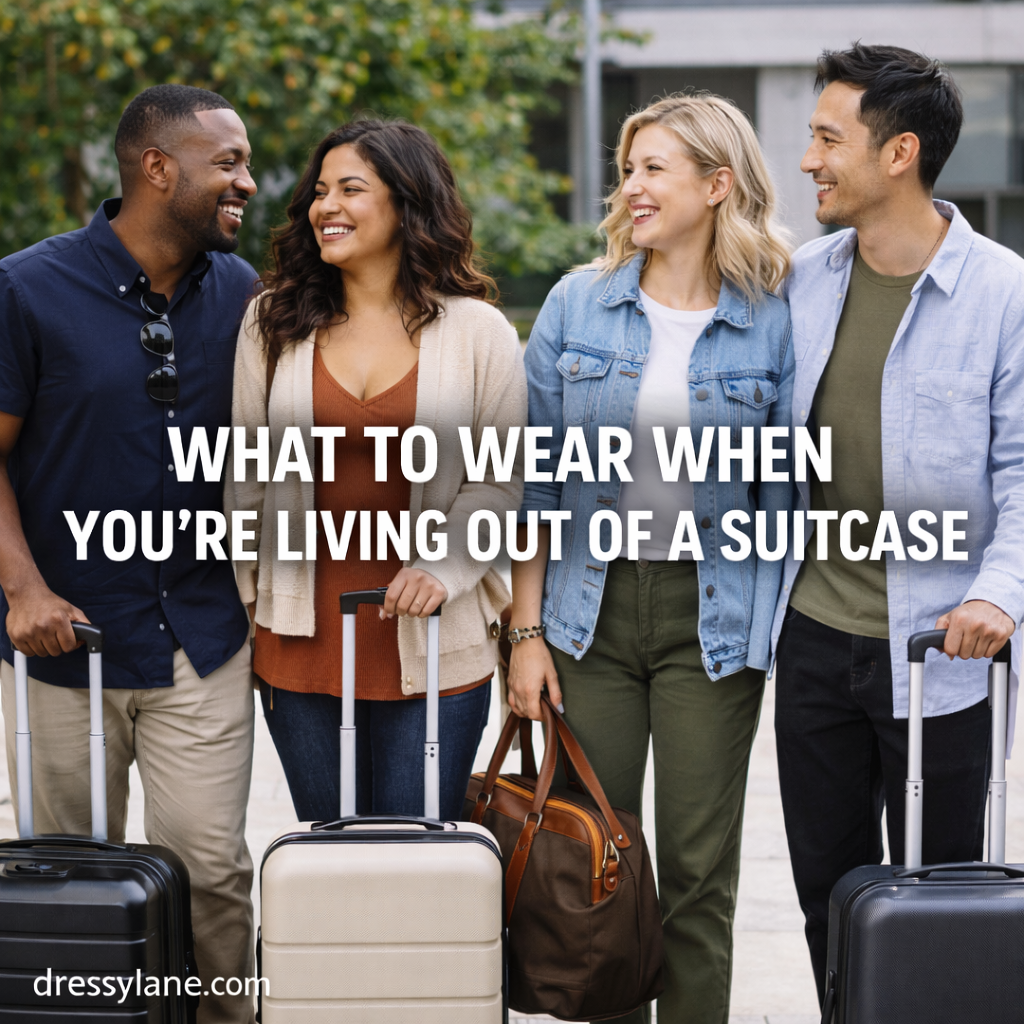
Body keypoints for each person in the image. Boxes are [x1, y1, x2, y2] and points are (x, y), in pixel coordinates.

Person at [507, 93, 794, 1024]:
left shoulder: (775, 318)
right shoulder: (575, 305)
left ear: (718, 185)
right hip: (588, 610)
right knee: (599, 862)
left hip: (712, 617)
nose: (630, 187)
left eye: (653, 168)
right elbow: (533, 485)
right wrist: (526, 631)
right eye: (627, 169)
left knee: (698, 877)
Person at [0, 86, 259, 1024]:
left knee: (214, 874)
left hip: (204, 637)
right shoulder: (26, 288)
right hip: (62, 643)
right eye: (228, 162)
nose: (249, 180)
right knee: (70, 882)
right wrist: (22, 589)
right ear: (158, 168)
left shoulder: (244, 294)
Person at [772, 44, 1024, 1002]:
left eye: (829, 139)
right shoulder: (803, 279)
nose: (810, 161)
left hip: (944, 649)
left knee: (944, 893)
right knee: (823, 894)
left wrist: (998, 595)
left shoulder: (1004, 293)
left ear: (899, 153)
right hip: (816, 635)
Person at [225, 120, 525, 823]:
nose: (325, 206)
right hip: (300, 641)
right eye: (319, 191)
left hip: (437, 645)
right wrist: (250, 608)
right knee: (328, 858)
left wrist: (442, 568)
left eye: (350, 189)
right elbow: (246, 480)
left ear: (407, 202)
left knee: (418, 861)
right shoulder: (272, 322)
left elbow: (498, 481)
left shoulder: (479, 333)